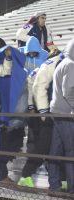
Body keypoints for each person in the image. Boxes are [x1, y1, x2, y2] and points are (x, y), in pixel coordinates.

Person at [0, 36, 48, 183]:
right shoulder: (17, 56)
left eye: (34, 53)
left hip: (35, 105)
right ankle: (3, 174)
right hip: (18, 106)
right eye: (29, 53)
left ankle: (18, 174)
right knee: (9, 137)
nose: (31, 56)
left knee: (29, 139)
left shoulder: (44, 57)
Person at [17, 47, 65, 188]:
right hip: (43, 114)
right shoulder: (48, 67)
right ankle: (26, 176)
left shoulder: (42, 67)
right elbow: (35, 88)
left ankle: (58, 179)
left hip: (43, 112)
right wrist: (39, 110)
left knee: (53, 147)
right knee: (42, 146)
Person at [48, 38, 74, 194]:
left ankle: (54, 185)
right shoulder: (71, 65)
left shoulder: (64, 63)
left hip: (57, 111)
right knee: (71, 151)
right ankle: (72, 189)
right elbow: (69, 91)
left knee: (56, 150)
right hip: (65, 114)